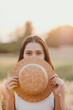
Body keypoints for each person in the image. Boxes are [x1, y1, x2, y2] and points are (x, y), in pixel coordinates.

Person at [5, 35, 65, 110]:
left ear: (44, 56)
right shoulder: (13, 86)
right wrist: (9, 97)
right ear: (22, 56)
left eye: (38, 53)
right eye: (29, 53)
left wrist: (58, 96)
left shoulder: (57, 85)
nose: (34, 57)